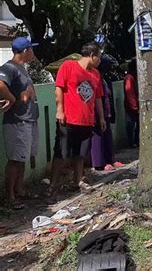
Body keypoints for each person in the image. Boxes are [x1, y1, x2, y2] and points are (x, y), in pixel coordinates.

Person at [47, 42, 106, 196]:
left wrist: (101, 117)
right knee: (61, 151)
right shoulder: (68, 66)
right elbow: (59, 88)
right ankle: (53, 184)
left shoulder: (96, 74)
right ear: (92, 56)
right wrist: (60, 110)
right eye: (99, 57)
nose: (100, 60)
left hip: (87, 119)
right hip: (68, 118)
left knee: (81, 153)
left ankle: (77, 180)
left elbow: (98, 97)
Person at [0, 37, 39, 209]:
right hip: (17, 120)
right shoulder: (9, 67)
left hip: (27, 119)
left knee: (22, 157)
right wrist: (13, 99)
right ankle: (10, 196)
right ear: (25, 50)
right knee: (15, 159)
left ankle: (20, 190)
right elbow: (0, 85)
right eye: (32, 49)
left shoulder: (21, 69)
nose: (33, 53)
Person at [90, 55, 123, 171]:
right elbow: (98, 97)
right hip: (98, 111)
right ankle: (100, 162)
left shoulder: (105, 79)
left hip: (106, 111)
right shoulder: (94, 77)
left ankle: (111, 159)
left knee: (107, 136)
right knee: (98, 137)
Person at [124, 59, 139, 148]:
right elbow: (130, 93)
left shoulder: (133, 77)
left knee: (136, 125)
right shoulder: (129, 78)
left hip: (135, 105)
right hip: (131, 106)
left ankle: (136, 141)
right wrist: (135, 107)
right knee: (131, 124)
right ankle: (131, 142)